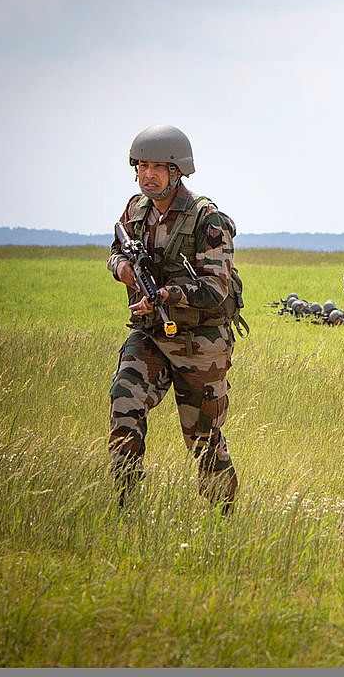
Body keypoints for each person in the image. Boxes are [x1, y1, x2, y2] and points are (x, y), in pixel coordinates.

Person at [107, 124, 243, 512]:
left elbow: (216, 286)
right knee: (124, 402)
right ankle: (125, 502)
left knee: (202, 437)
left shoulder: (207, 219)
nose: (147, 175)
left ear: (177, 170)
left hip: (200, 340)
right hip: (150, 333)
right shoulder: (135, 210)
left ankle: (224, 515)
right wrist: (123, 269)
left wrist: (166, 294)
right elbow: (115, 252)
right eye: (142, 166)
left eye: (157, 168)